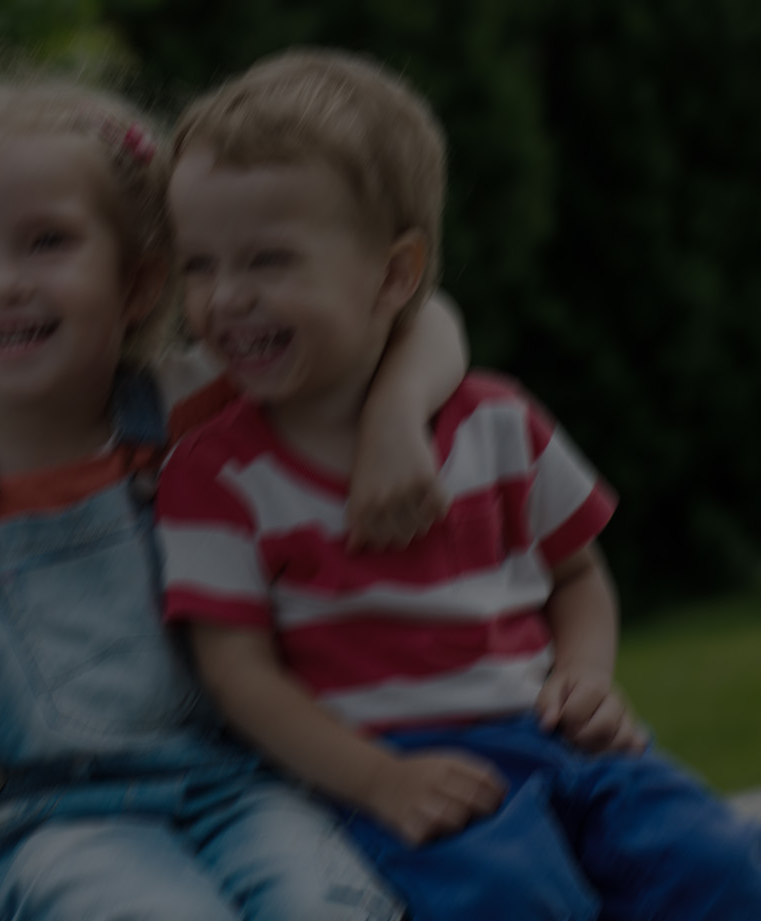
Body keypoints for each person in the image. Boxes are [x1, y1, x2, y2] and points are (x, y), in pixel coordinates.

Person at [0, 71, 468, 921]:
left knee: (326, 901)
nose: (0, 282)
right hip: (53, 828)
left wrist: (396, 415)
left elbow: (414, 313)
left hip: (246, 787)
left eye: (46, 242)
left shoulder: (201, 406)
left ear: (139, 281)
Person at [157, 47, 761, 921]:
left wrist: (586, 675)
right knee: (517, 903)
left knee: (721, 870)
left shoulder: (497, 422)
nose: (224, 298)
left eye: (268, 261)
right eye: (198, 266)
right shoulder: (215, 474)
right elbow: (239, 677)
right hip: (393, 762)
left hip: (561, 740)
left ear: (395, 274)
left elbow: (578, 574)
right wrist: (377, 780)